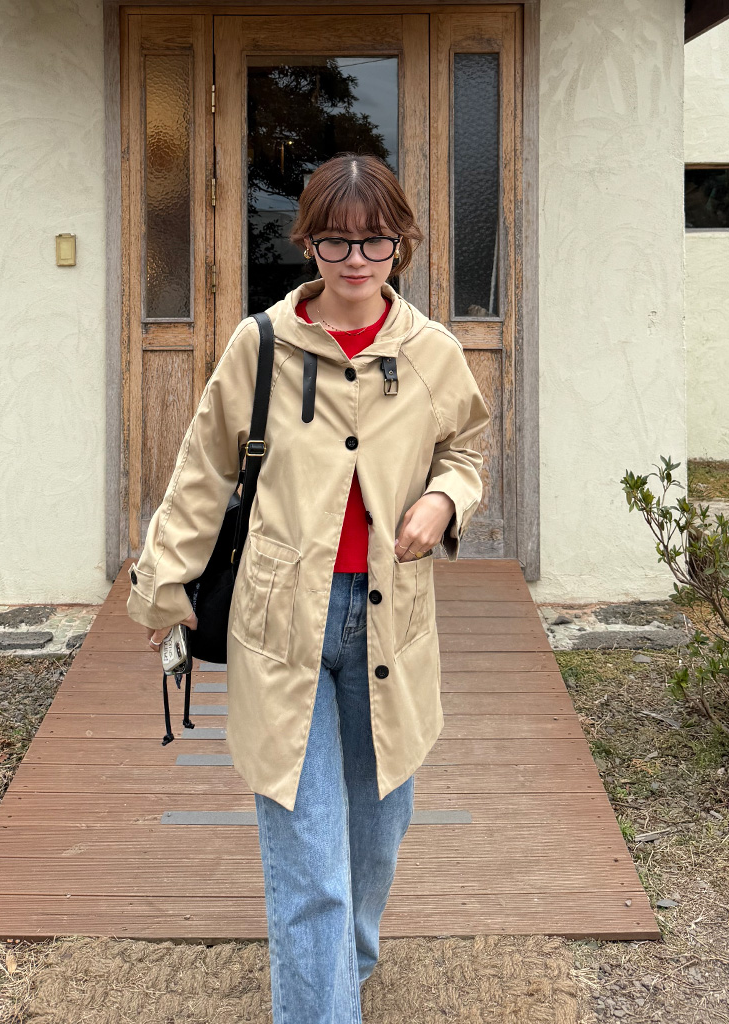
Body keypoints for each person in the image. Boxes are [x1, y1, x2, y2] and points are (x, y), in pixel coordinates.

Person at [126, 152, 491, 1024]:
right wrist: (164, 587)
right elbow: (203, 473)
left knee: (375, 836)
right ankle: (323, 1003)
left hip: (390, 625)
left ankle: (341, 968)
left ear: (401, 244)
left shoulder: (432, 353)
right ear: (307, 243)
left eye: (375, 242)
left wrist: (445, 499)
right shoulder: (261, 346)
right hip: (281, 624)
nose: (355, 260)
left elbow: (466, 450)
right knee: (310, 860)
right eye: (335, 241)